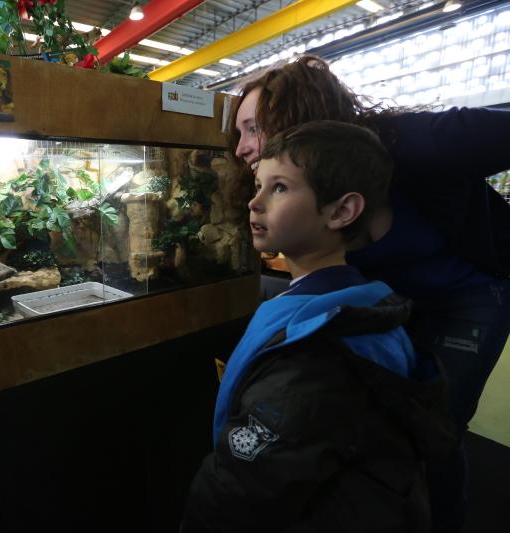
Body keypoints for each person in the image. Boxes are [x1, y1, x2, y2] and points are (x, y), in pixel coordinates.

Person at [229, 56, 510, 533]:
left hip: (471, 294)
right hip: (395, 297)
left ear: (299, 115)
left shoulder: (414, 147)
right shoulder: (299, 187)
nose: (241, 148)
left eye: (253, 128)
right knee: (383, 423)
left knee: (434, 428)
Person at [182, 121, 453, 532]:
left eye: (280, 188)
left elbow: (245, 489)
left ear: (341, 211)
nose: (254, 203)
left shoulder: (318, 349)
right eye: (259, 185)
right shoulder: (362, 301)